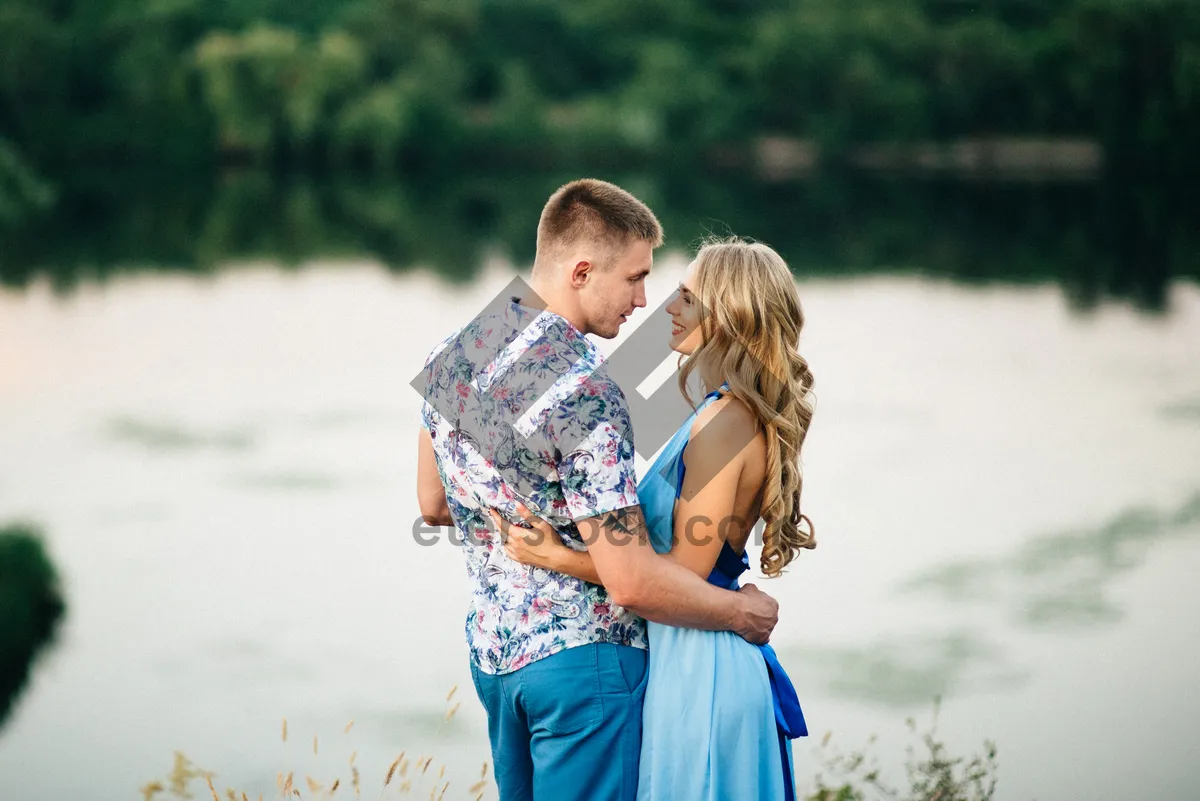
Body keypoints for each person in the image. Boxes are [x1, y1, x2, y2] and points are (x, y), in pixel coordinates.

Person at [415, 181, 781, 801]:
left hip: (495, 658)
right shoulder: (588, 393)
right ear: (582, 271)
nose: (644, 301)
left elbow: (431, 503)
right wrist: (738, 611)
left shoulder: (456, 353)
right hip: (586, 669)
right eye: (636, 278)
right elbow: (632, 581)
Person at [497, 237, 816, 800]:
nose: (667, 306)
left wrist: (558, 557)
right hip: (685, 650)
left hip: (702, 665)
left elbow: (681, 575)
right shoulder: (714, 408)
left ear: (730, 314)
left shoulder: (725, 422)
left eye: (688, 298)